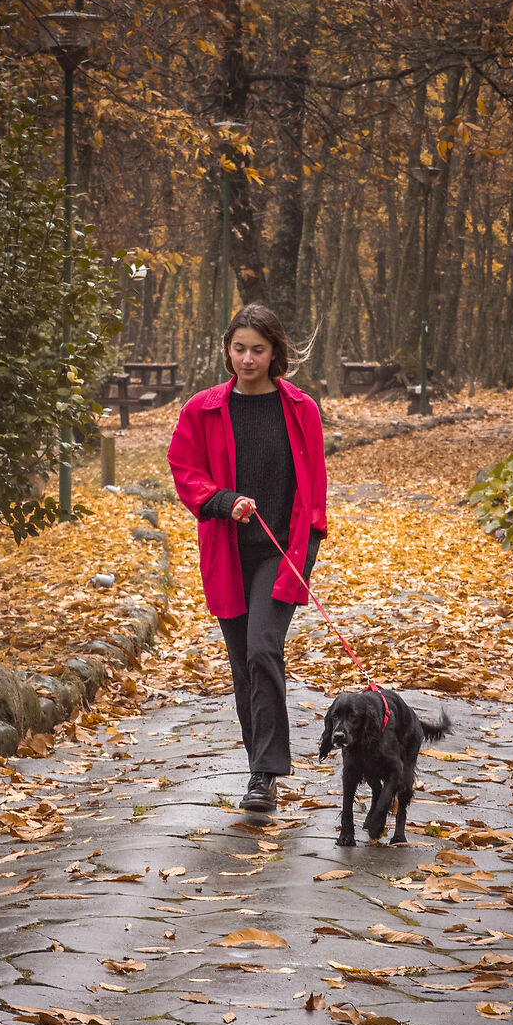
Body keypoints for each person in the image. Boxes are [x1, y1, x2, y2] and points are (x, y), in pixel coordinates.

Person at [168, 303, 327, 815]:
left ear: (275, 352)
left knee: (263, 650)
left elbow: (315, 493)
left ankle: (265, 773)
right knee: (243, 666)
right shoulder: (203, 409)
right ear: (227, 350)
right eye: (239, 348)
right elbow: (184, 467)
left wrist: (307, 554)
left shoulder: (301, 409)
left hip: (282, 554)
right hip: (227, 552)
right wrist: (222, 500)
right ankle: (259, 768)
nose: (247, 358)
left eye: (258, 349)